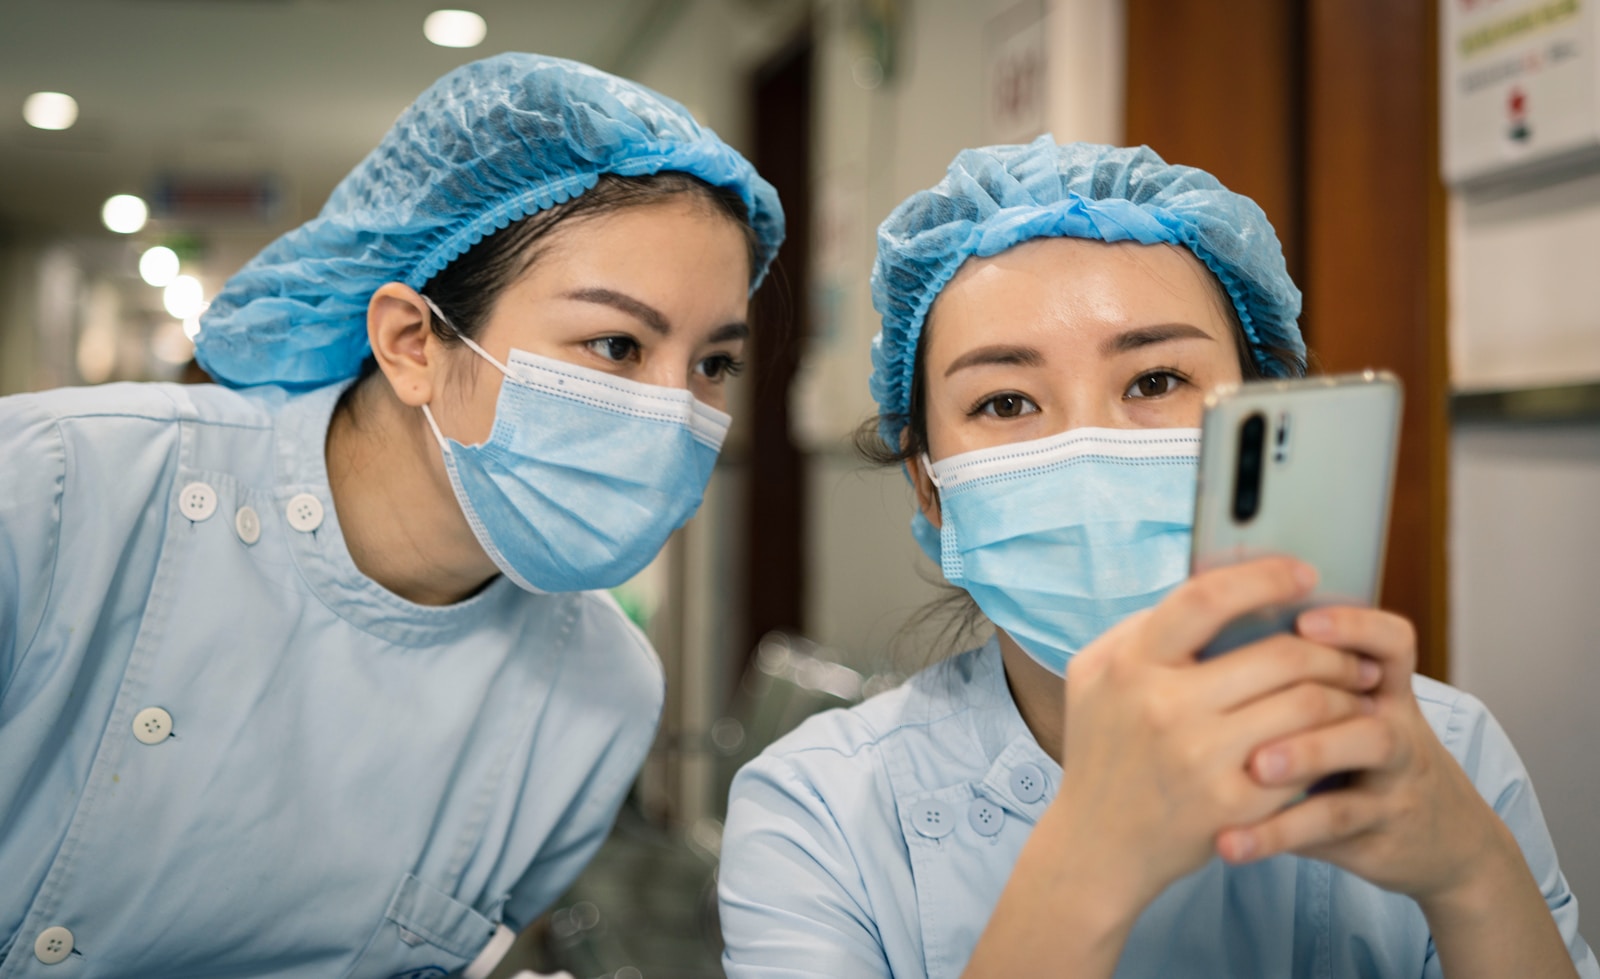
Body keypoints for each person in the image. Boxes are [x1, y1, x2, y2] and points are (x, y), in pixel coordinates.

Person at [717, 139, 1594, 978]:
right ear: (931, 485)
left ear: (1264, 423)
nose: (1089, 448)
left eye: (1155, 381)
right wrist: (1093, 861)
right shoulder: (817, 811)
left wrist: (1475, 871)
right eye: (1007, 399)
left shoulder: (1446, 754)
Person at [0, 53, 781, 978]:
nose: (674, 409)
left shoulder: (602, 691)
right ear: (413, 343)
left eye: (713, 364)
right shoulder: (57, 484)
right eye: (616, 344)